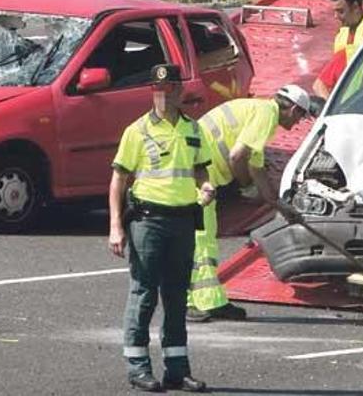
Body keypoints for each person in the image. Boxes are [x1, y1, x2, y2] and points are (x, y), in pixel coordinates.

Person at [108, 64, 214, 393]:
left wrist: (208, 187)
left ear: (180, 91)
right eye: (158, 90)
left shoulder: (194, 130)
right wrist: (115, 225)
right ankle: (138, 367)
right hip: (148, 221)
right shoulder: (136, 131)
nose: (163, 95)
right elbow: (119, 180)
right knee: (143, 294)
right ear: (152, 93)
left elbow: (202, 172)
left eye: (169, 89)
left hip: (182, 220)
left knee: (176, 297)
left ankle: (176, 369)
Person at [186, 84, 314, 322]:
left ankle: (210, 301)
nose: (297, 124)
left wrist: (280, 206)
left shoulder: (259, 112)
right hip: (196, 177)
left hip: (200, 175)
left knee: (205, 241)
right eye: (299, 116)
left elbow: (256, 168)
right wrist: (244, 187)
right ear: (293, 108)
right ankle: (194, 303)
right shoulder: (266, 115)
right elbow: (237, 156)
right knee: (201, 242)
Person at [312, 0, 363, 99]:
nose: (335, 16)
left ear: (355, 7)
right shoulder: (341, 33)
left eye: (340, 11)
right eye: (334, 11)